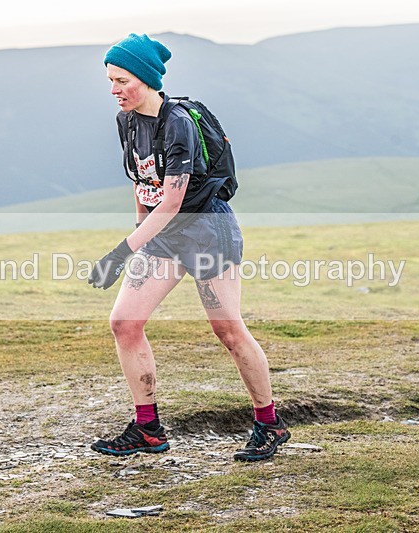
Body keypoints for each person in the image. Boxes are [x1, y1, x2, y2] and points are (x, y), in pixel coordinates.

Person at [88, 33, 289, 461]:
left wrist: (120, 253)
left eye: (122, 80)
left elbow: (175, 200)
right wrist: (140, 237)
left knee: (228, 330)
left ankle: (269, 423)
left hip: (205, 231)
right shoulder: (125, 121)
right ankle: (147, 429)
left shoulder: (177, 122)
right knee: (125, 323)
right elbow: (144, 184)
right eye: (110, 80)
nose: (114, 90)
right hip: (162, 235)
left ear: (146, 78)